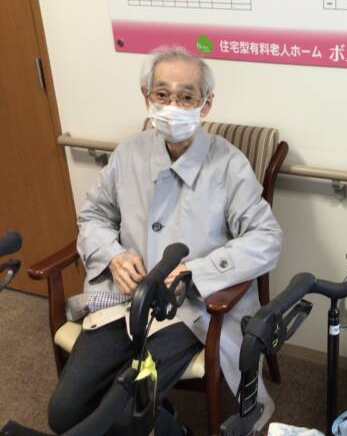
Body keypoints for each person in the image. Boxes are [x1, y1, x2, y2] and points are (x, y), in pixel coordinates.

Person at [48, 47, 283, 435]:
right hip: (124, 301)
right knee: (63, 413)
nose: (173, 106)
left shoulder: (228, 163)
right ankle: (166, 416)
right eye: (162, 94)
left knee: (125, 415)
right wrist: (112, 255)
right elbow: (93, 216)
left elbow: (266, 238)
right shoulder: (129, 153)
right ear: (147, 98)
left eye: (186, 96)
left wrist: (195, 273)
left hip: (189, 312)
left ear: (205, 105)